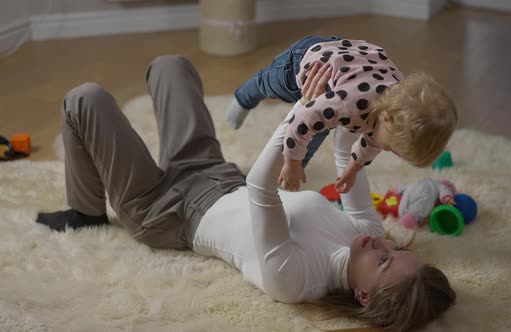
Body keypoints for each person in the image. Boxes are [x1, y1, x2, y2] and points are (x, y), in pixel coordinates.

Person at [36, 55, 455, 331]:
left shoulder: (296, 281)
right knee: (171, 66)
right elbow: (347, 151)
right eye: (397, 250)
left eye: (383, 261)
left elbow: (261, 187)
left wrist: (301, 113)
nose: (381, 242)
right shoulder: (365, 231)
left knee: (84, 100)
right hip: (214, 174)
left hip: (165, 212)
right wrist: (358, 105)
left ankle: (85, 213)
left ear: (364, 296)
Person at [226, 36, 457, 193]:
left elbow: (372, 142)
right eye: (391, 148)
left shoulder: (394, 110)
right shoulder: (348, 104)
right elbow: (301, 122)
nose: (385, 149)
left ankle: (286, 183)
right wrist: (292, 162)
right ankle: (243, 98)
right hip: (303, 60)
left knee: (315, 138)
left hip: (347, 57)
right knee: (267, 84)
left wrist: (352, 170)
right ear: (386, 117)